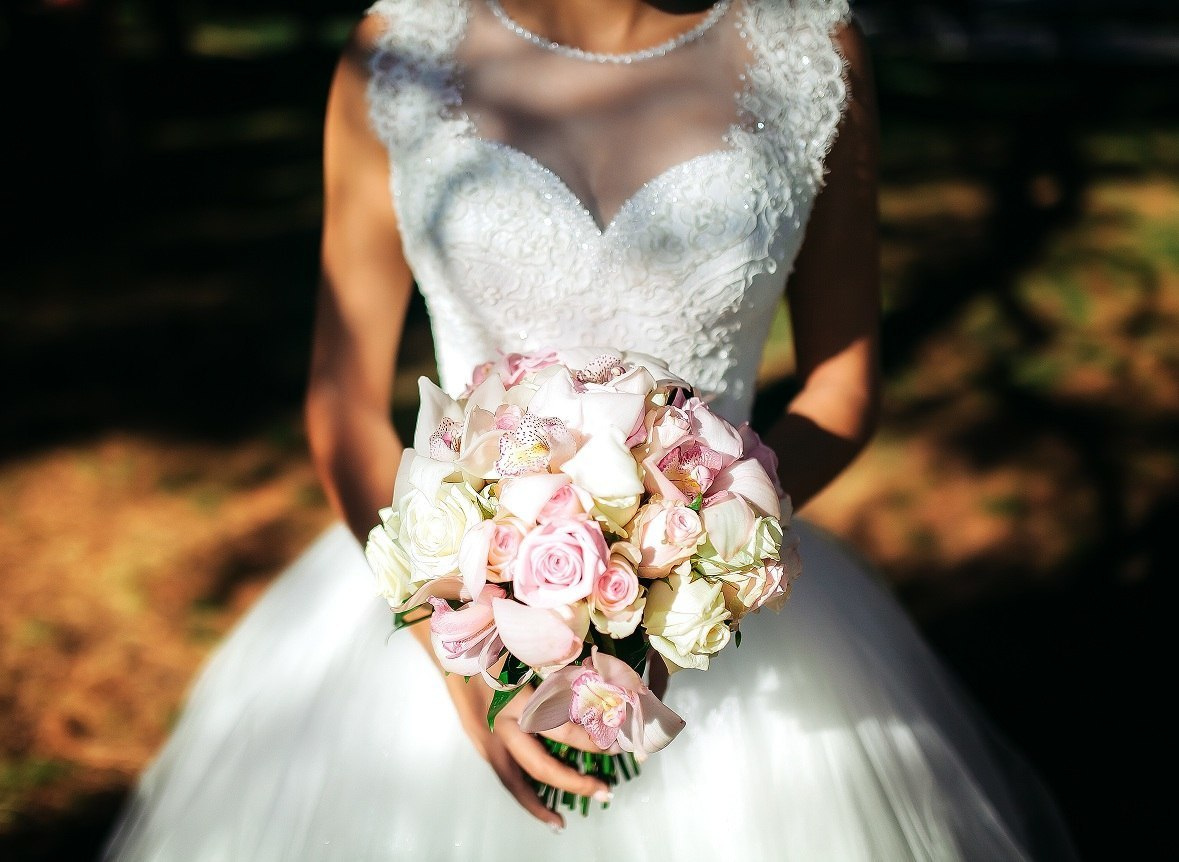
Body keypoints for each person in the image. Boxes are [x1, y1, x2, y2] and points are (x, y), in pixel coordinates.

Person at [102, 1, 1080, 859]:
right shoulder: (397, 51)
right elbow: (345, 400)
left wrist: (689, 567)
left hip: (717, 620)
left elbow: (842, 385)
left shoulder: (812, 50)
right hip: (447, 609)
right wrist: (461, 653)